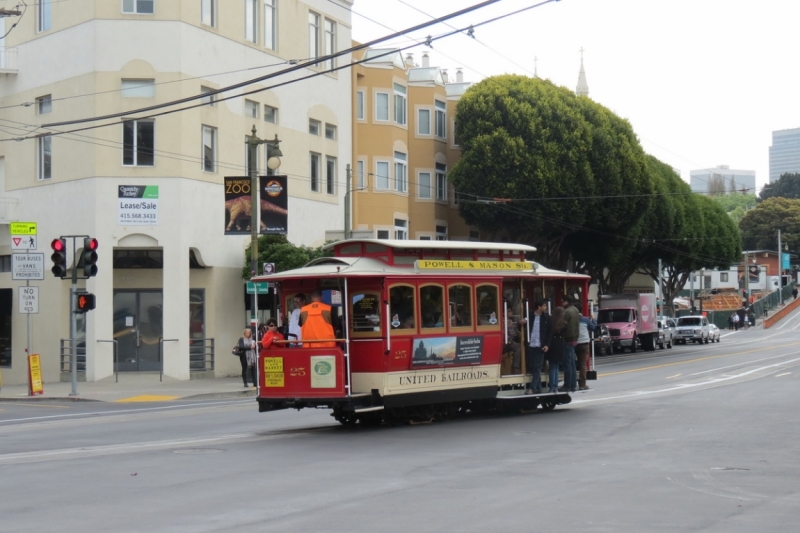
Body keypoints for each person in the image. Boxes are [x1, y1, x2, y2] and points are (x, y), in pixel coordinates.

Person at [523, 299, 552, 394]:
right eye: (544, 306)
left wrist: (547, 345)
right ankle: (538, 388)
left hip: (540, 345)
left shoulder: (546, 318)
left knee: (537, 367)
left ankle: (532, 387)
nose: (545, 307)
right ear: (539, 307)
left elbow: (549, 333)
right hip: (531, 344)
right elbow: (524, 321)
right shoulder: (530, 315)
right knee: (532, 366)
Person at [560, 295, 580, 393]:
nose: (561, 303)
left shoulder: (567, 312)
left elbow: (562, 325)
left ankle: (567, 385)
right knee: (572, 364)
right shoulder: (576, 309)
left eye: (562, 301)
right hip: (575, 339)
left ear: (566, 301)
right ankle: (573, 384)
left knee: (567, 364)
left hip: (568, 339)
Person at [547, 307, 566, 393]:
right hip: (560, 344)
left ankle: (552, 386)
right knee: (556, 366)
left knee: (552, 366)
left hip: (552, 344)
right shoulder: (564, 323)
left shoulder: (551, 321)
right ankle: (555, 386)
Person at [576, 313, 596, 391]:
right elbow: (593, 328)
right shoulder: (585, 319)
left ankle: (570, 382)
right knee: (583, 364)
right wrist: (593, 319)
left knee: (571, 363)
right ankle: (582, 384)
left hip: (574, 343)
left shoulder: (572, 318)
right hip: (584, 344)